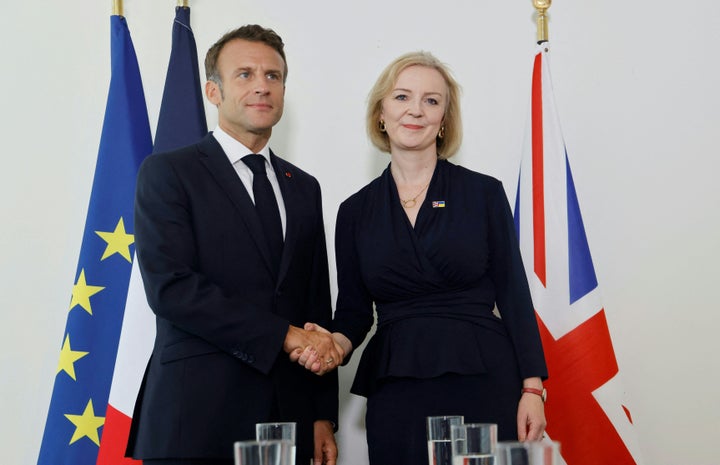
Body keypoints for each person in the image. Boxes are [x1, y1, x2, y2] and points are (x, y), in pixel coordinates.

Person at [294, 51, 548, 465]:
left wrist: (533, 389)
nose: (416, 110)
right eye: (402, 97)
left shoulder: (483, 193)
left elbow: (514, 295)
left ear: (445, 119)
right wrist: (331, 346)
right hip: (398, 384)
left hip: (484, 378)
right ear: (381, 112)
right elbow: (355, 313)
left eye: (432, 100)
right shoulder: (355, 211)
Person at [126, 24, 343, 465]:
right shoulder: (168, 173)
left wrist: (322, 415)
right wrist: (282, 335)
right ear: (213, 91)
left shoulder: (304, 187)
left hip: (289, 421)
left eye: (273, 76)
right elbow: (172, 289)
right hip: (196, 420)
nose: (262, 86)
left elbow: (314, 303)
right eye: (244, 74)